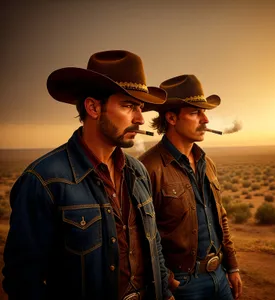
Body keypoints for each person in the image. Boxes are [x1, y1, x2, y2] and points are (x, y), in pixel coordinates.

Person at [2, 50, 175, 300]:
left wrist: (165, 292)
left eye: (140, 108)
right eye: (129, 106)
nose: (139, 119)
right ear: (93, 107)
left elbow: (153, 242)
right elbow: (23, 279)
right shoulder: (44, 180)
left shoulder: (137, 172)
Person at [139, 74, 243, 300]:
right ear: (172, 118)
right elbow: (143, 234)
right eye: (196, 112)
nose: (205, 120)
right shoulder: (148, 168)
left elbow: (220, 217)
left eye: (204, 112)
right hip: (182, 284)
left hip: (219, 274)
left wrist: (232, 266)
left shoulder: (208, 163)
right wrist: (165, 281)